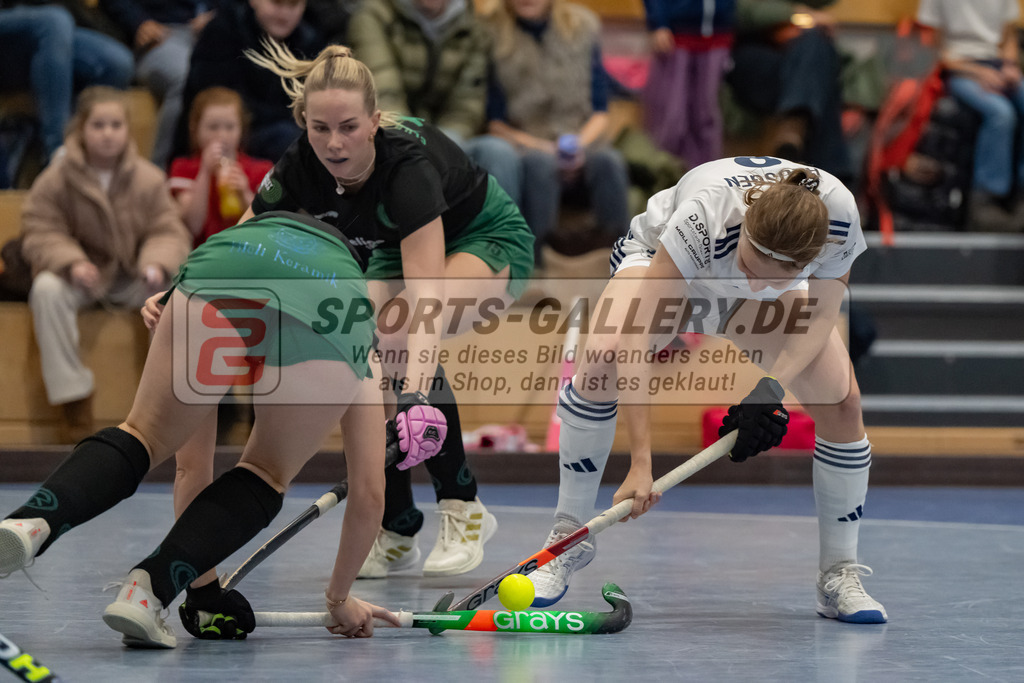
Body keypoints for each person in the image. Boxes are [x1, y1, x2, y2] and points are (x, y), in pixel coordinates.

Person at [0, 210, 410, 646]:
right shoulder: (359, 324)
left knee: (143, 434)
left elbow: (191, 471)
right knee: (265, 474)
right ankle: (145, 591)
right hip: (325, 299)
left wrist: (205, 591)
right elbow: (369, 494)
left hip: (225, 263)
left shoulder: (256, 235)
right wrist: (339, 599)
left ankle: (32, 521)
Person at [529, 155, 887, 625]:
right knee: (603, 357)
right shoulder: (706, 215)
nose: (755, 280)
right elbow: (635, 340)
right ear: (748, 227)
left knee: (842, 402)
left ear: (807, 259)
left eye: (771, 275)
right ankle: (568, 536)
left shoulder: (838, 218)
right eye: (751, 264)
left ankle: (838, 572)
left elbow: (820, 315)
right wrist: (641, 463)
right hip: (674, 268)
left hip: (759, 303)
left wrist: (770, 389)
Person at [238, 41, 535, 578]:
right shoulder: (299, 162)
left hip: (484, 237)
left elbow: (427, 299)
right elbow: (238, 244)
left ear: (374, 121)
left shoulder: (407, 168)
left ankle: (464, 507)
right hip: (392, 249)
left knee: (396, 338)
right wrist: (175, 293)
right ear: (304, 120)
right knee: (361, 348)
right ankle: (397, 525)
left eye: (349, 127)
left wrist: (418, 393)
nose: (334, 144)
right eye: (320, 128)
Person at [20, 85, 191, 443]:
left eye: (116, 124)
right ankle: (74, 402)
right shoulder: (58, 176)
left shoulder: (147, 177)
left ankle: (163, 402)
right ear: (81, 129)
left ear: (127, 130)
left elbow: (169, 231)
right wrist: (72, 262)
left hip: (133, 277)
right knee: (47, 290)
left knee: (172, 295)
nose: (108, 133)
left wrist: (155, 264)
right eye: (98, 125)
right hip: (83, 277)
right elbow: (40, 229)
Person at [481, 0, 630, 261]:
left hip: (583, 139)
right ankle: (536, 264)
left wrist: (579, 146)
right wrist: (543, 148)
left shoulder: (582, 27)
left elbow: (600, 110)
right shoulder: (490, 33)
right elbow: (494, 122)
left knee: (609, 162)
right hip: (527, 144)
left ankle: (626, 260)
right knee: (541, 164)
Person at [349, 0, 523, 205]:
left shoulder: (474, 27)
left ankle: (500, 237)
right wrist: (418, 144)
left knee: (498, 152)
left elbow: (467, 104)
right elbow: (383, 94)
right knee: (410, 167)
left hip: (448, 139)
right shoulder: (373, 16)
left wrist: (444, 145)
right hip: (390, 137)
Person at [917, 0, 1024, 230]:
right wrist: (977, 72)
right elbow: (932, 48)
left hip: (996, 64)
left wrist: (1009, 66)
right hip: (959, 68)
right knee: (1000, 113)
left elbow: (1009, 36)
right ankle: (986, 198)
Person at [175, 0, 326, 164]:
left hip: (283, 129)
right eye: (277, 4)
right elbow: (217, 102)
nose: (284, 15)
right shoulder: (222, 31)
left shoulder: (309, 38)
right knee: (295, 142)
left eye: (293, 6)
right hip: (229, 136)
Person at [726, 0, 850, 180]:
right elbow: (741, 11)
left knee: (816, 47)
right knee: (817, 76)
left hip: (799, 60)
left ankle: (792, 128)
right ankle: (833, 178)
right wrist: (800, 17)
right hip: (751, 59)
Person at [0, 2, 134, 163]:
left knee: (116, 64)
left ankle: (85, 154)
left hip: (43, 25)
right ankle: (58, 154)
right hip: (26, 24)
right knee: (53, 21)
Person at [99, 0, 214, 168]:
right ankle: (160, 172)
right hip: (162, 34)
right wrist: (138, 21)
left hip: (212, 33)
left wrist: (217, 17)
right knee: (186, 77)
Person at [169, 86, 275, 246]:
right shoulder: (183, 168)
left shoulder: (260, 169)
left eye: (230, 127)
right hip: (200, 255)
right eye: (213, 127)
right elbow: (193, 226)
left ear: (241, 129)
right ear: (195, 129)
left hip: (246, 253)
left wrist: (245, 193)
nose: (222, 136)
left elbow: (267, 228)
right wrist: (204, 172)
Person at [641, 0, 735, 168]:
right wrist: (658, 23)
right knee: (672, 114)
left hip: (717, 35)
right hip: (675, 36)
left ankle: (706, 177)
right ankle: (665, 175)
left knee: (706, 114)